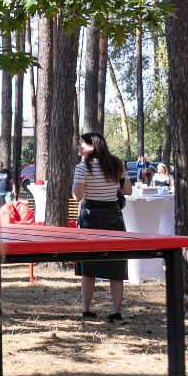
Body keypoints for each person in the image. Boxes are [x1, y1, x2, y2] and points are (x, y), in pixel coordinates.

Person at [73, 132, 131, 322]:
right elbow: (127, 190)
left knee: (88, 265)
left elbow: (77, 196)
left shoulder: (83, 167)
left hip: (91, 218)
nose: (79, 147)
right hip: (114, 217)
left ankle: (87, 309)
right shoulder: (116, 165)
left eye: (82, 144)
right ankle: (116, 311)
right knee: (116, 265)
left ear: (93, 147)